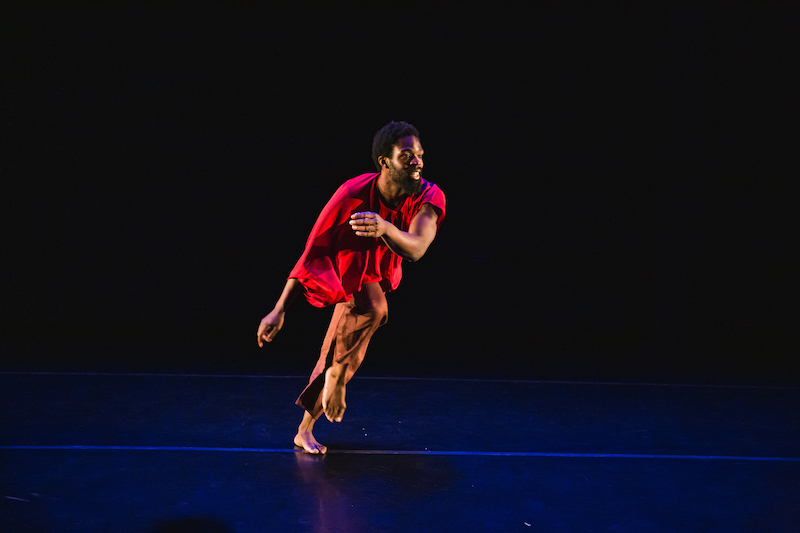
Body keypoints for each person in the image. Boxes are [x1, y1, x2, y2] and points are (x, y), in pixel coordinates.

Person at [256, 121, 446, 454]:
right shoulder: (353, 194)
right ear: (384, 162)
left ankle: (313, 414)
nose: (417, 161)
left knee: (351, 335)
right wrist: (279, 309)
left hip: (378, 270)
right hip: (345, 268)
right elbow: (313, 252)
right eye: (406, 155)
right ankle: (334, 381)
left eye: (419, 154)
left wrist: (384, 226)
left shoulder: (429, 196)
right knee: (374, 309)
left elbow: (416, 248)